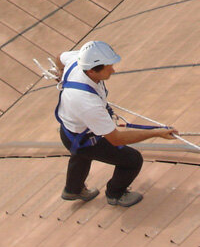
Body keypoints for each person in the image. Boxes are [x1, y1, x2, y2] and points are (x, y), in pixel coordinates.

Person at [54, 41, 178, 207]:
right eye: (109, 67)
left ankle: (73, 189)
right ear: (91, 70)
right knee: (132, 160)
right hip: (86, 139)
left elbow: (59, 58)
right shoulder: (87, 102)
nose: (113, 70)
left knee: (81, 156)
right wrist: (156, 133)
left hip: (70, 133)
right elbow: (116, 139)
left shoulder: (79, 59)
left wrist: (61, 72)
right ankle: (115, 194)